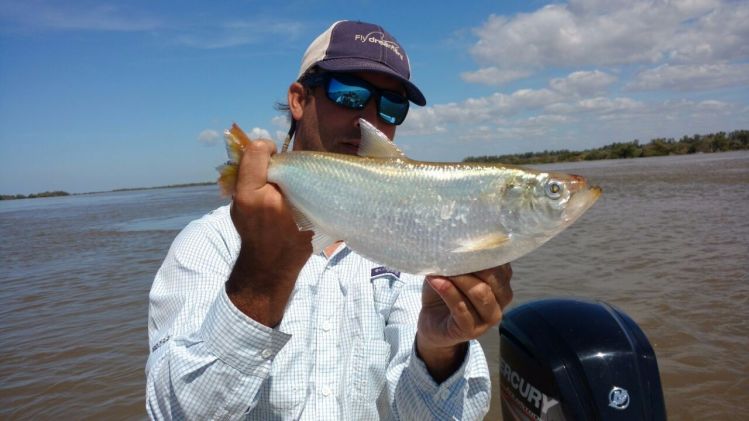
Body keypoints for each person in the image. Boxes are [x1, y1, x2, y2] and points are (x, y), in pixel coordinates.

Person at [146, 20, 513, 420]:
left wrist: (439, 350)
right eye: (350, 95)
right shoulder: (209, 241)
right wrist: (261, 278)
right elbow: (172, 412)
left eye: (391, 105)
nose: (370, 120)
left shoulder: (411, 248)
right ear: (299, 99)